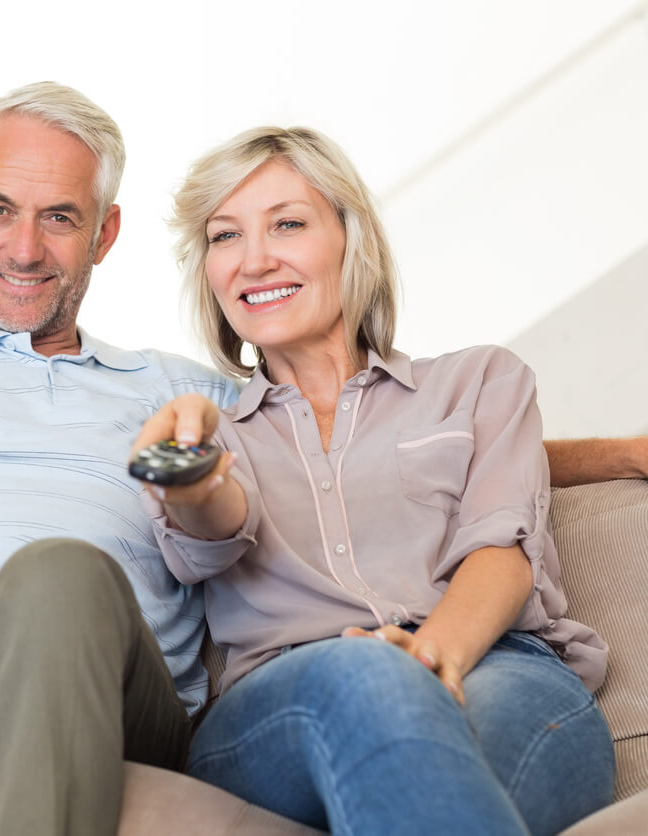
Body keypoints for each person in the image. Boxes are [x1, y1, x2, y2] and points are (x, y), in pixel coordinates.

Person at [0, 82, 644, 835]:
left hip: (95, 652)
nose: (25, 248)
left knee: (59, 576)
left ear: (106, 233)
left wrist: (618, 452)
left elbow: (382, 446)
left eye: (62, 218)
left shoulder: (182, 394)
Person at [132, 126, 617, 835]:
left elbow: (501, 551)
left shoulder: (480, 381)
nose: (254, 260)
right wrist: (191, 480)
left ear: (349, 237)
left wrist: (422, 659)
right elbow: (215, 521)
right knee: (366, 681)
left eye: (287, 224)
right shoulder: (208, 432)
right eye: (225, 236)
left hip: (498, 668)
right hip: (282, 701)